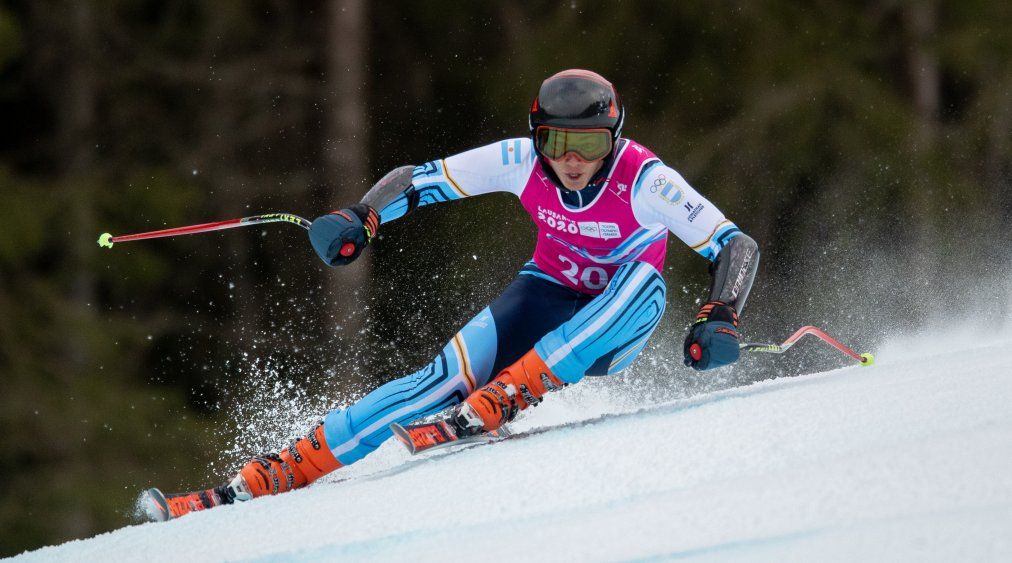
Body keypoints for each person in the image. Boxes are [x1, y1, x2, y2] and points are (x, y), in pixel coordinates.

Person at [144, 69, 759, 520]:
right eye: (556, 143)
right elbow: (420, 179)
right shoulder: (520, 160)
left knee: (642, 279)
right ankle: (257, 481)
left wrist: (721, 312)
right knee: (432, 384)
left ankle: (508, 397)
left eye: (589, 144)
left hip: (618, 321)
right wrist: (363, 215)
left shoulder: (647, 180)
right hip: (545, 299)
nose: (571, 161)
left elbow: (735, 246)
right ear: (537, 137)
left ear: (614, 137)